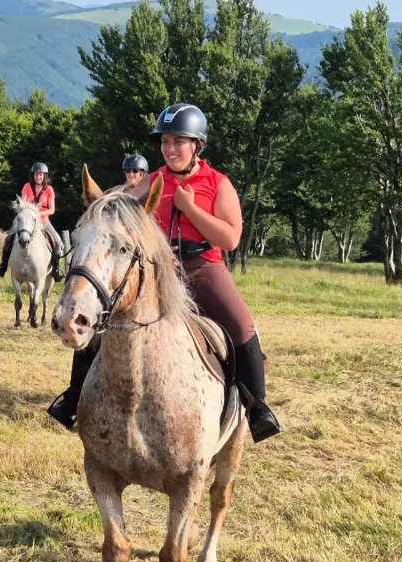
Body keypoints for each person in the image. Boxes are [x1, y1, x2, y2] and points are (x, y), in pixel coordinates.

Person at [47, 104, 283, 443]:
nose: (170, 149)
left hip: (204, 268)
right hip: (159, 271)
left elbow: (230, 238)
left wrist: (190, 209)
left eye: (178, 141)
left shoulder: (218, 183)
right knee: (104, 318)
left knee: (242, 326)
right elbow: (120, 208)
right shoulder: (153, 180)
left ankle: (257, 407)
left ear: (197, 145)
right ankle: (73, 396)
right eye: (165, 142)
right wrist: (100, 201)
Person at [0, 162, 65, 281]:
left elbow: (52, 210)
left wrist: (40, 213)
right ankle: (3, 267)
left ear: (44, 176)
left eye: (41, 175)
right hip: (26, 221)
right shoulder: (27, 187)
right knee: (7, 239)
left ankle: (56, 271)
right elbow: (23, 204)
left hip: (43, 221)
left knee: (58, 243)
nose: (38, 177)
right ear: (33, 175)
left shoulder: (49, 189)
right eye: (36, 175)